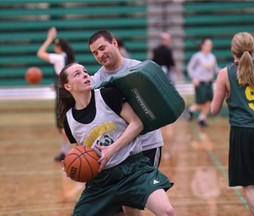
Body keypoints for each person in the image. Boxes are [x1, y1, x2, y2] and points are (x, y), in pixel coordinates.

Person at [58, 62, 175, 216]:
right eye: (77, 74)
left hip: (132, 169)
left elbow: (137, 123)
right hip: (101, 181)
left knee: (167, 211)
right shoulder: (69, 120)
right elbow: (83, 152)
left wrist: (112, 149)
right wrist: (72, 167)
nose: (85, 75)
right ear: (68, 86)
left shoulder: (108, 95)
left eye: (85, 71)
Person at [89, 30, 165, 216]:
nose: (100, 55)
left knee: (132, 204)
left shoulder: (140, 70)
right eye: (95, 53)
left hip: (146, 145)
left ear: (114, 43)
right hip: (116, 151)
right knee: (118, 209)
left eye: (102, 48)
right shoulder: (97, 81)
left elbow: (160, 106)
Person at [210, 32, 254, 216]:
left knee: (249, 186)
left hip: (244, 132)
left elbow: (214, 110)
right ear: (253, 48)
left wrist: (228, 94)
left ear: (232, 50)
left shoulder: (225, 73)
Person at [37, 27, 76, 161]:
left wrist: (49, 39)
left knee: (62, 126)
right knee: (66, 124)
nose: (54, 47)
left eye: (55, 45)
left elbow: (40, 53)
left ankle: (71, 152)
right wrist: (57, 84)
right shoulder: (67, 58)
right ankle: (65, 151)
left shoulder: (59, 57)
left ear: (59, 47)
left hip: (63, 96)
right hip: (69, 93)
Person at [185, 38, 219, 127]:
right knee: (201, 102)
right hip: (200, 82)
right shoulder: (197, 56)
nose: (209, 47)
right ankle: (191, 110)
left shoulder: (212, 57)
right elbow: (189, 68)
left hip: (209, 82)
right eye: (208, 45)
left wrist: (224, 71)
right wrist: (194, 78)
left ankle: (201, 119)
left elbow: (215, 69)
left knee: (209, 102)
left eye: (210, 45)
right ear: (202, 46)